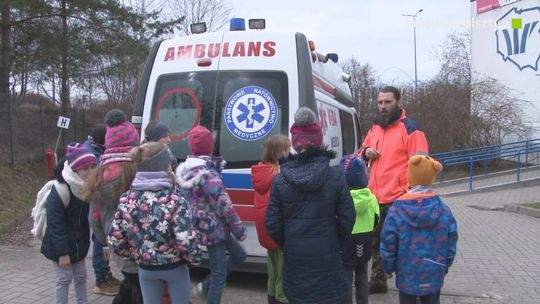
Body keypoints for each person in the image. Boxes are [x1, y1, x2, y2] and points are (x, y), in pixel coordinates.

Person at [265, 107, 355, 304]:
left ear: (295, 144)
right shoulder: (335, 177)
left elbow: (272, 222)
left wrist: (287, 243)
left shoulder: (280, 181)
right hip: (328, 252)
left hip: (295, 254)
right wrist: (336, 242)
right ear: (319, 141)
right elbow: (348, 217)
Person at [108, 142, 202, 304]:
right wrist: (193, 259)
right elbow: (186, 239)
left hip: (145, 268)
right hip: (175, 267)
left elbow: (115, 239)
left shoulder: (127, 199)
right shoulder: (175, 200)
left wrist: (134, 255)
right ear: (166, 167)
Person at [358, 86, 429, 294]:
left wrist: (414, 196)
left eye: (387, 102)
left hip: (400, 199)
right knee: (376, 243)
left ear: (398, 102)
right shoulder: (375, 128)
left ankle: (411, 283)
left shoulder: (411, 129)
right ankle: (378, 281)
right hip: (375, 198)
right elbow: (361, 153)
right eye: (380, 102)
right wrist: (366, 153)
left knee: (404, 245)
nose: (383, 106)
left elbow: (422, 165)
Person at [176, 125, 247, 304]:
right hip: (214, 229)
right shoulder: (207, 174)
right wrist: (239, 229)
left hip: (203, 226)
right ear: (210, 146)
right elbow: (224, 205)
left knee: (239, 255)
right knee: (219, 275)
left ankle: (204, 287)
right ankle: (209, 291)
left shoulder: (186, 169)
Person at [380, 155, 458, 304]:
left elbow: (388, 241)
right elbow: (451, 239)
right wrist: (446, 264)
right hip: (434, 271)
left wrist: (388, 267)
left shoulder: (397, 209)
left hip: (406, 273)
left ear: (410, 175)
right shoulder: (443, 209)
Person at [84, 109, 143, 304]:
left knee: (131, 282)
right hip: (145, 243)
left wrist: (108, 240)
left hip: (116, 243)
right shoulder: (143, 170)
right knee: (139, 288)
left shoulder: (99, 175)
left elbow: (94, 219)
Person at [41, 144, 97, 304]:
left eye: (93, 167)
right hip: (60, 246)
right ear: (74, 169)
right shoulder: (60, 190)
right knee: (64, 279)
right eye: (85, 168)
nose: (90, 172)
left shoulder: (87, 188)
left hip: (79, 244)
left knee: (81, 277)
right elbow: (55, 225)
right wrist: (63, 253)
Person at [251, 135, 291, 304]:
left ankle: (272, 296)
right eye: (288, 149)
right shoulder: (279, 174)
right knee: (284, 269)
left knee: (273, 266)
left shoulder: (261, 171)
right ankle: (282, 298)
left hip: (265, 228)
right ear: (279, 153)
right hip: (278, 228)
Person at [83, 123, 121, 295]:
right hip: (96, 207)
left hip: (97, 206)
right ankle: (101, 280)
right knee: (99, 242)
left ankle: (105, 274)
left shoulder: (94, 150)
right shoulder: (93, 156)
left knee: (102, 243)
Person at [339, 154, 379, 304]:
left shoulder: (341, 200)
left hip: (346, 243)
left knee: (346, 279)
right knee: (362, 277)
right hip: (365, 240)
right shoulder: (372, 198)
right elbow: (376, 219)